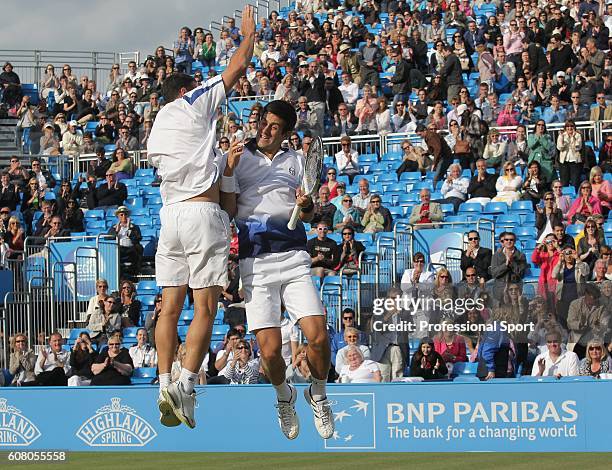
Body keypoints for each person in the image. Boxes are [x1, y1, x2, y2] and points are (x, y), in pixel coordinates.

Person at [221, 99, 334, 441]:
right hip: (255, 262)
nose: (265, 129)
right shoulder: (239, 157)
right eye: (263, 122)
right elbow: (228, 209)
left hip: (294, 257)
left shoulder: (298, 161)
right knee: (269, 353)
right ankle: (284, 395)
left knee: (318, 336)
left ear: (285, 133)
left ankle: (318, 393)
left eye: (273, 126)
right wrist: (228, 170)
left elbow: (311, 215)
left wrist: (308, 205)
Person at [552, 246, 590, 329]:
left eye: (570, 253)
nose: (569, 256)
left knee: (576, 323)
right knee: (563, 324)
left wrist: (578, 259)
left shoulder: (581, 265)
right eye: (566, 253)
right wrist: (559, 261)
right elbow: (554, 275)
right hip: (562, 300)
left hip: (577, 299)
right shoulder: (560, 267)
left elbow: (585, 273)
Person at [415, 124, 453, 189]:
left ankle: (436, 192)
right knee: (439, 176)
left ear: (424, 130)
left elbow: (438, 149)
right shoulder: (427, 137)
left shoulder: (432, 136)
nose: (420, 137)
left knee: (436, 178)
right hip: (443, 157)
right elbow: (433, 149)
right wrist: (426, 152)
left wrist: (434, 163)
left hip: (445, 157)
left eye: (420, 134)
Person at [107, 206, 143, 275]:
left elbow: (137, 239)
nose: (124, 216)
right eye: (121, 215)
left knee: (138, 248)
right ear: (118, 216)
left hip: (131, 249)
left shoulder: (134, 227)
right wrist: (116, 232)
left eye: (125, 214)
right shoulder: (114, 228)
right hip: (119, 249)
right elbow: (108, 238)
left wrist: (129, 229)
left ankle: (136, 271)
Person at [556, 120, 583, 191]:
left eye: (571, 126)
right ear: (565, 127)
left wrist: (573, 137)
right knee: (564, 182)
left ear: (574, 127)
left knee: (575, 182)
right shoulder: (561, 135)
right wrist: (564, 138)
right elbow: (560, 147)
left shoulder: (578, 135)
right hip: (564, 162)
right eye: (567, 126)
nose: (569, 128)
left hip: (575, 162)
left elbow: (578, 147)